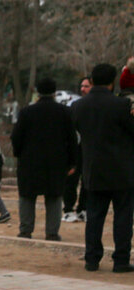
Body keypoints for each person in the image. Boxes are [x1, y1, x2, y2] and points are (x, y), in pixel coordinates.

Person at [71, 63, 134, 273]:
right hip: (122, 170)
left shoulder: (78, 106)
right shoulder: (121, 105)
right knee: (123, 217)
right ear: (112, 82)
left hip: (93, 169)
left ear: (92, 80)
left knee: (94, 217)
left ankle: (92, 259)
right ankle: (121, 260)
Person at [10, 77, 78, 241]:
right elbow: (72, 139)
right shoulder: (64, 112)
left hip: (29, 161)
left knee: (27, 196)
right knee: (54, 196)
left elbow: (16, 137)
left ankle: (26, 230)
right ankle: (52, 232)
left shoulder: (26, 112)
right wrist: (72, 162)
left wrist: (19, 154)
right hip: (57, 161)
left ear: (37, 92)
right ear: (54, 92)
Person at [63, 77, 92, 223]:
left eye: (86, 86)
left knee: (87, 181)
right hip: (76, 148)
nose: (83, 89)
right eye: (82, 86)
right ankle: (68, 209)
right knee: (71, 180)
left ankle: (82, 209)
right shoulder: (74, 105)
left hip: (90, 148)